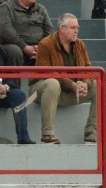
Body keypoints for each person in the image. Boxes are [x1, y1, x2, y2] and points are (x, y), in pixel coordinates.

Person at [33, 13, 98, 144]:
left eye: (77, 28)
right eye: (73, 28)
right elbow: (46, 72)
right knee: (52, 83)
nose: (76, 31)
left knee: (102, 86)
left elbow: (88, 69)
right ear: (62, 29)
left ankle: (91, 132)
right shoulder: (45, 44)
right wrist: (72, 85)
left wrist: (85, 83)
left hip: (70, 91)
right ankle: (47, 134)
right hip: (42, 91)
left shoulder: (80, 45)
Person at [0, 0, 54, 65]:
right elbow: (5, 31)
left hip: (38, 47)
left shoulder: (41, 9)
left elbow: (49, 32)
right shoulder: (6, 8)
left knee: (55, 47)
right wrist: (24, 47)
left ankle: (53, 78)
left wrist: (40, 48)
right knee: (14, 50)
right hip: (16, 46)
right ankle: (13, 79)